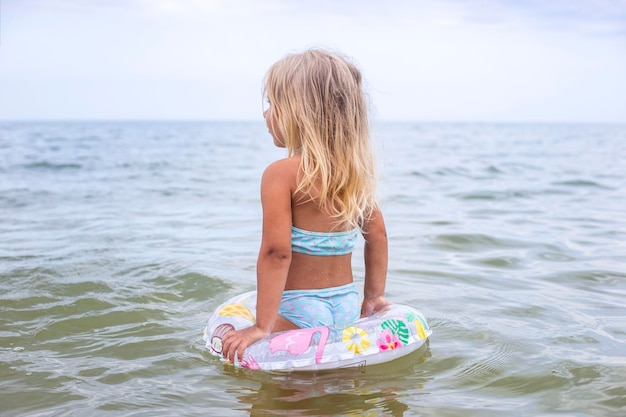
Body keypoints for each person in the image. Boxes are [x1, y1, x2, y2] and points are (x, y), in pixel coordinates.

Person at [222, 49, 390, 363]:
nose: (265, 114)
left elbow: (277, 253)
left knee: (279, 396)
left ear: (299, 112)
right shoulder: (355, 174)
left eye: (272, 103)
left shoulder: (281, 174)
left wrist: (261, 326)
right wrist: (373, 297)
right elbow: (377, 236)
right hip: (345, 307)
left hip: (298, 311)